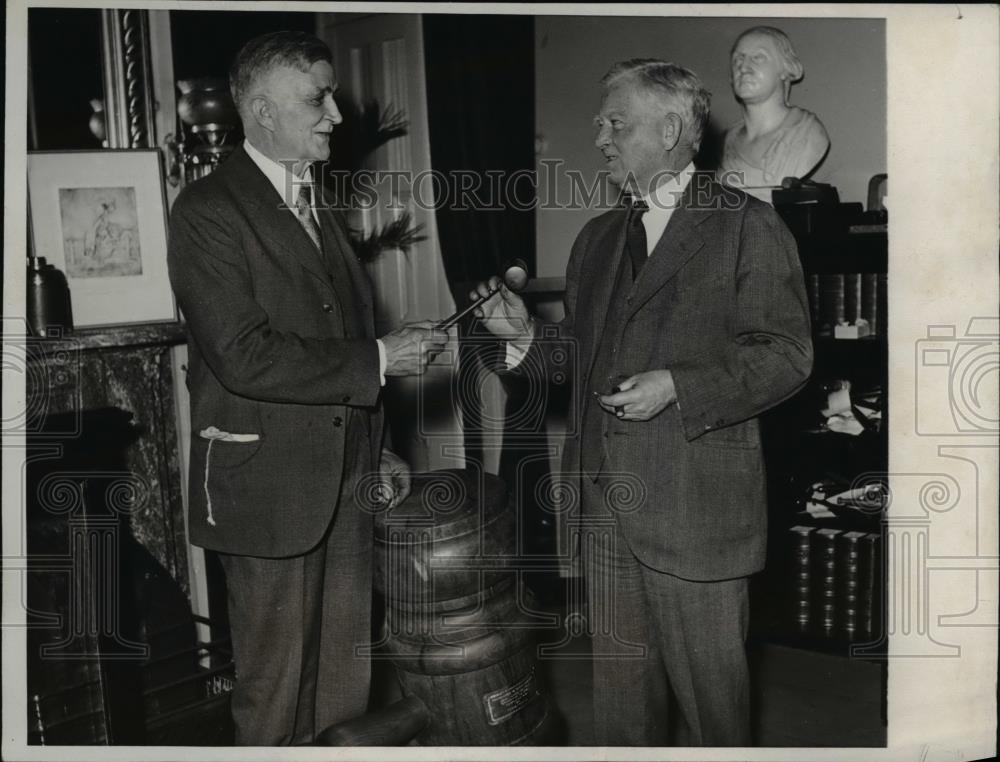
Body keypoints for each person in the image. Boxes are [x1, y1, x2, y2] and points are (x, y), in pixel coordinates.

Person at [471, 59, 812, 745]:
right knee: (623, 713)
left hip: (696, 510)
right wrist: (523, 336)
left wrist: (679, 385)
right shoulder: (598, 238)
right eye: (601, 123)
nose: (599, 138)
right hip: (605, 510)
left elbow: (785, 355)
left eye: (615, 124)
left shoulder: (747, 225)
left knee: (715, 714)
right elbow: (583, 360)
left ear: (671, 128)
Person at [167, 31, 447, 745]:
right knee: (276, 697)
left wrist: (377, 449)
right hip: (270, 490)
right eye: (318, 98)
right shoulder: (207, 210)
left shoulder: (313, 202)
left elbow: (336, 332)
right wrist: (380, 358)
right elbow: (243, 355)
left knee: (344, 690)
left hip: (345, 484)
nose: (336, 115)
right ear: (263, 111)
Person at [719, 26, 830, 204]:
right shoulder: (722, 143)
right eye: (738, 58)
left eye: (758, 57)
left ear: (785, 69)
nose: (743, 67)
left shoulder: (807, 133)